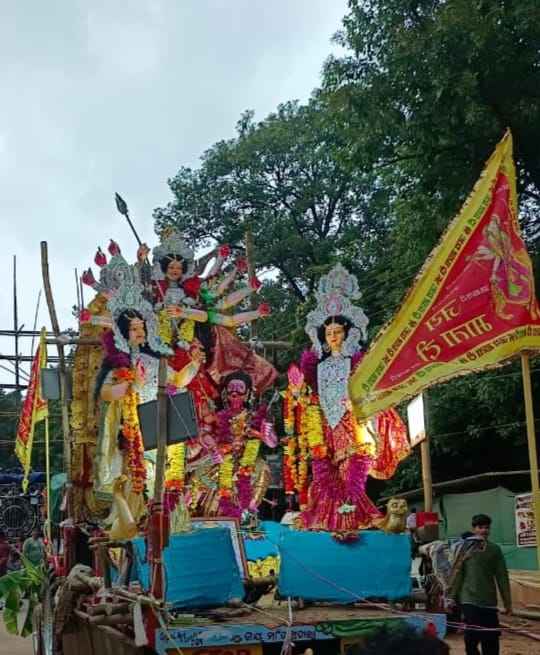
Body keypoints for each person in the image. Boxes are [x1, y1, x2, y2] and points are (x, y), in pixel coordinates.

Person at [449, 514, 512, 655]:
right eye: (480, 527)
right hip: (468, 598)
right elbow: (458, 574)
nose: (484, 530)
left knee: (491, 638)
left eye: (487, 528)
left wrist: (508, 603)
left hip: (488, 600)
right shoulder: (464, 548)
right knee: (472, 637)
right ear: (474, 529)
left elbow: (502, 576)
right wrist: (450, 597)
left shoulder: (494, 549)